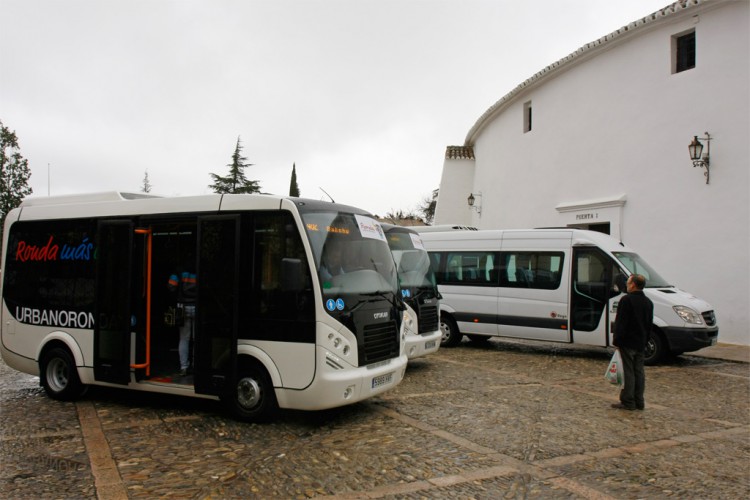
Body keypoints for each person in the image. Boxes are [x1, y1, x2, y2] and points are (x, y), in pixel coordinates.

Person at [612, 273, 654, 411]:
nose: (627, 285)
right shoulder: (648, 302)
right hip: (641, 341)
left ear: (633, 285)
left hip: (628, 341)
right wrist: (646, 340)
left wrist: (617, 340)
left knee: (628, 371)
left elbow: (621, 323)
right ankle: (639, 400)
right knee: (639, 372)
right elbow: (649, 324)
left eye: (628, 283)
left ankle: (628, 400)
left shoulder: (627, 300)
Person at [168, 269, 197, 376]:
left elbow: (171, 286)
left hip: (182, 307)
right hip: (197, 306)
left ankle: (184, 367)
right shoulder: (200, 267)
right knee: (196, 339)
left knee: (184, 339)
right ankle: (195, 366)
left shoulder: (179, 270)